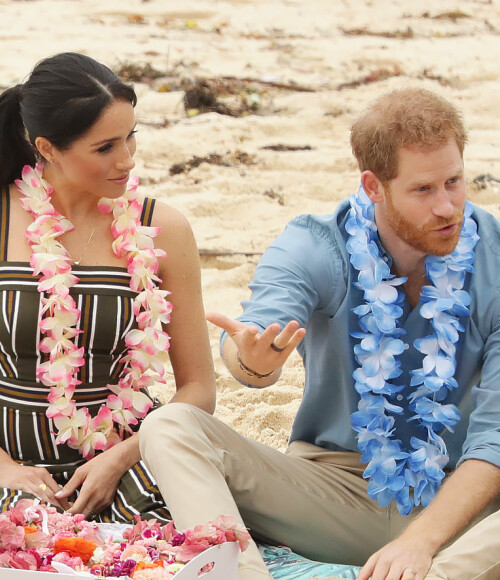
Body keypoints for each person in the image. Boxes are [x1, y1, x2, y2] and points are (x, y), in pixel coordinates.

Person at [138, 87, 500, 580]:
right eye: (423, 190)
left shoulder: (494, 257)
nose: (447, 207)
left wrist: (418, 543)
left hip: (462, 504)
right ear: (374, 187)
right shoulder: (316, 242)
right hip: (335, 489)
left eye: (454, 181)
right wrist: (254, 360)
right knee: (169, 426)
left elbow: (494, 438)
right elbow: (256, 329)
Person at [0, 51, 215, 559]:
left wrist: (122, 458)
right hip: (10, 476)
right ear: (46, 148)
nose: (127, 160)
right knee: (27, 544)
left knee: (151, 550)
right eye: (105, 147)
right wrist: (0, 468)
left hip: (132, 469)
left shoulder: (164, 228)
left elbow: (198, 389)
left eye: (131, 137)